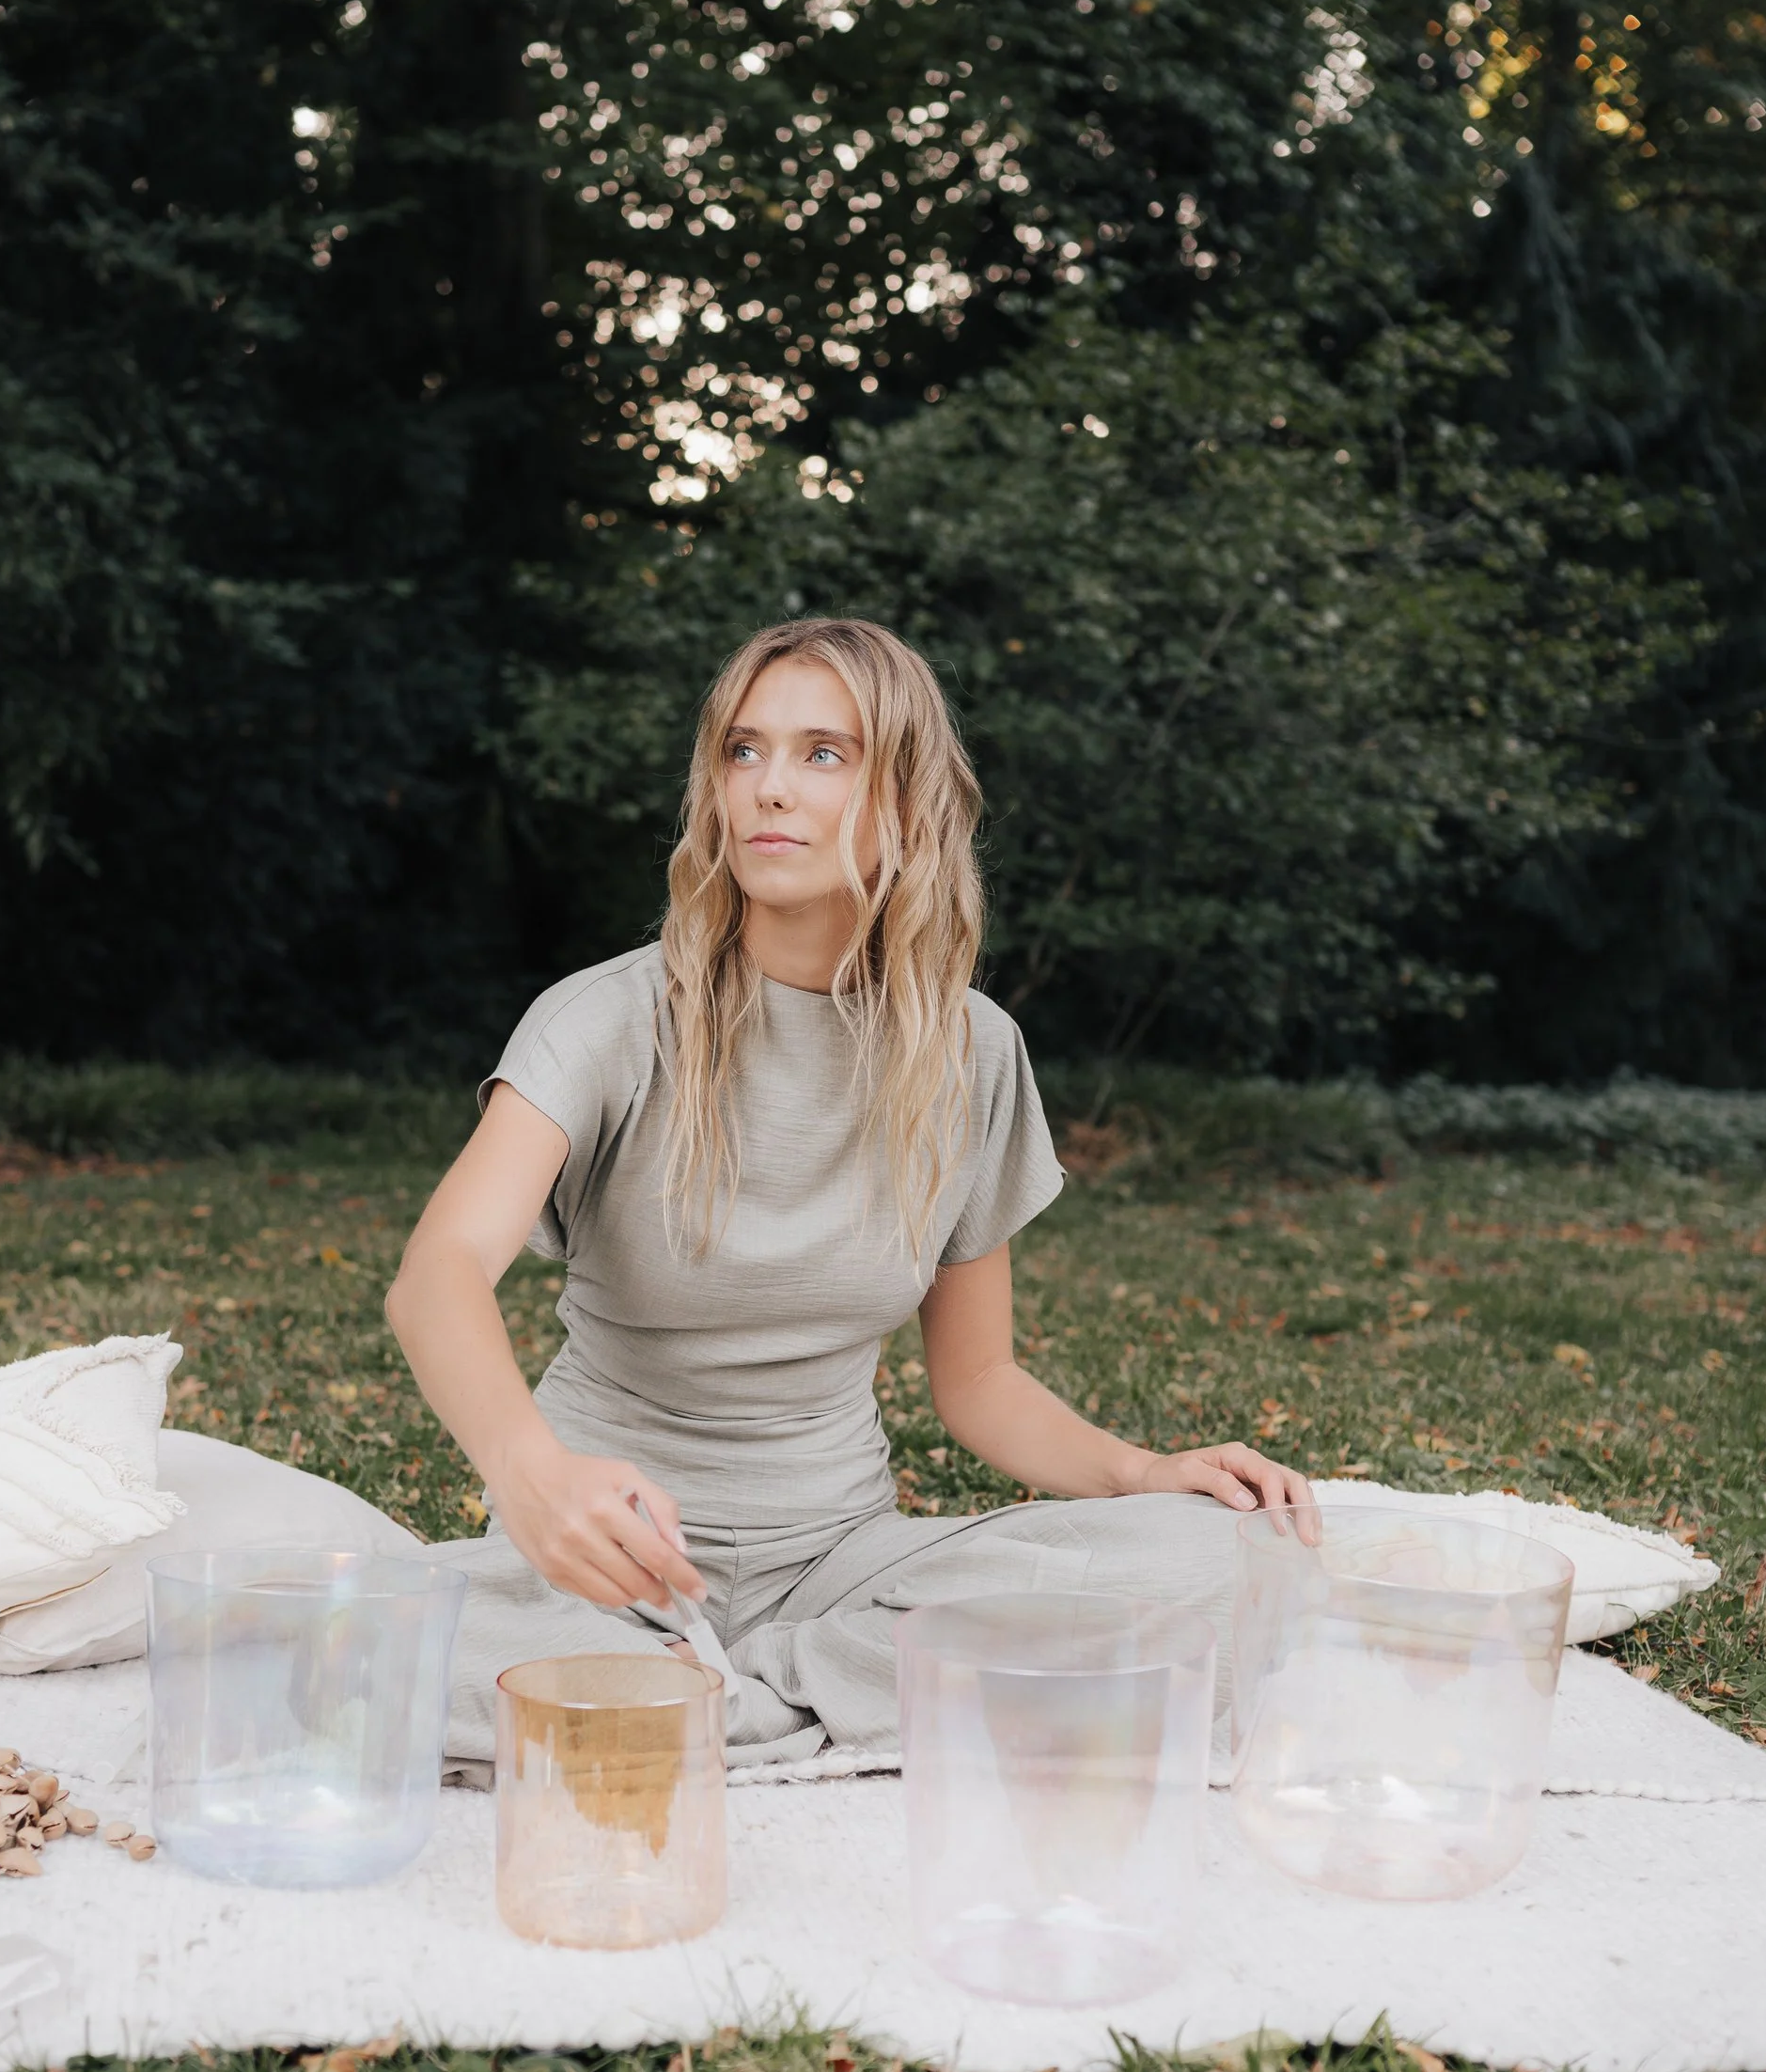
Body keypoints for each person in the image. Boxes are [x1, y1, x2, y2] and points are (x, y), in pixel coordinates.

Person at [387, 615, 1307, 1773]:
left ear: (907, 798)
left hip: (838, 1568)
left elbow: (978, 1383)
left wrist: (1140, 1475)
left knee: (1224, 1565)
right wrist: (532, 1477)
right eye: (743, 750)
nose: (769, 786)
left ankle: (722, 1702)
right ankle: (799, 1701)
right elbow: (437, 1274)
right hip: (602, 1568)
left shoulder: (972, 1052)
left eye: (823, 753)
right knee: (368, 1652)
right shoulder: (605, 1020)